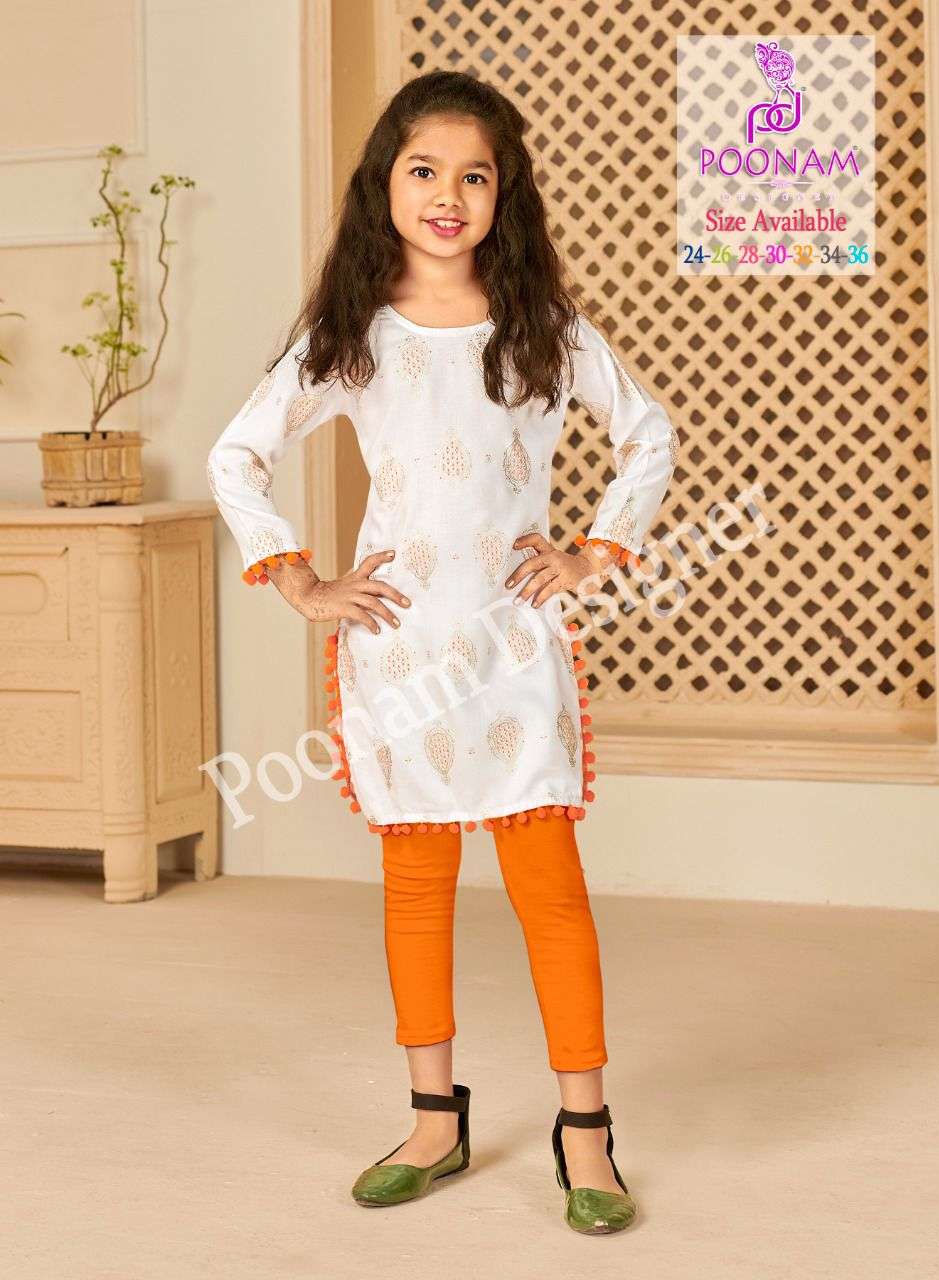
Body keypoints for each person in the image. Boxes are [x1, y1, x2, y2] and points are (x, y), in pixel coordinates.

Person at [206, 69, 678, 1235]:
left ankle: (586, 1132)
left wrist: (592, 551)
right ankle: (433, 1121)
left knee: (549, 892)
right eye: (425, 170)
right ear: (386, 184)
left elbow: (647, 433)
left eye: (476, 175)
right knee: (416, 890)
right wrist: (299, 577)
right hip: (402, 648)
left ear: (504, 193)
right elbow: (236, 455)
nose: (449, 195)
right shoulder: (351, 334)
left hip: (513, 646)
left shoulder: (543, 327)